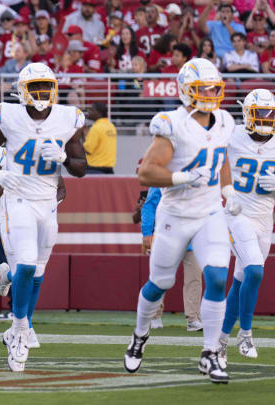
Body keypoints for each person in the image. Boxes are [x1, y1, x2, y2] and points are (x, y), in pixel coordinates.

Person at [124, 58, 236, 384]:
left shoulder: (225, 121)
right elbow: (146, 171)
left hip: (210, 212)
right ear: (187, 90)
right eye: (204, 88)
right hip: (174, 214)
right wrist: (181, 177)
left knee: (216, 277)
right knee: (160, 283)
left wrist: (228, 189)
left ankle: (210, 353)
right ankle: (139, 336)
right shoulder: (172, 122)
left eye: (215, 87)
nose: (211, 93)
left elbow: (221, 157)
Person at [0, 62, 87, 372]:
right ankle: (21, 330)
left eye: (45, 87)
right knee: (26, 265)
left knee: (37, 272)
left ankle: (18, 327)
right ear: (23, 91)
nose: (41, 93)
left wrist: (66, 158)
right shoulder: (7, 115)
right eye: (35, 87)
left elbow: (82, 168)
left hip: (48, 203)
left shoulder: (69, 119)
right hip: (18, 199)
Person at [219, 89, 275, 364]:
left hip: (265, 221)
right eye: (260, 113)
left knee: (242, 279)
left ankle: (219, 343)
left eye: (269, 113)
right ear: (247, 113)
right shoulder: (232, 135)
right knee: (254, 270)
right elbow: (214, 162)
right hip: (236, 214)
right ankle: (246, 334)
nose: (265, 119)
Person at [141, 187, 204, 331]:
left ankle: (193, 318)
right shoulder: (163, 177)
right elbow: (149, 205)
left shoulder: (199, 176)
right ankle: (155, 315)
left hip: (192, 236)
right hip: (168, 236)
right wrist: (146, 232)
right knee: (161, 278)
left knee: (194, 278)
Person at [83, 102, 117, 174]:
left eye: (91, 110)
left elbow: (88, 149)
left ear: (99, 113)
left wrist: (81, 136)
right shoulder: (111, 126)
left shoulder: (96, 128)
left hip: (95, 169)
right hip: (109, 170)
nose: (89, 112)